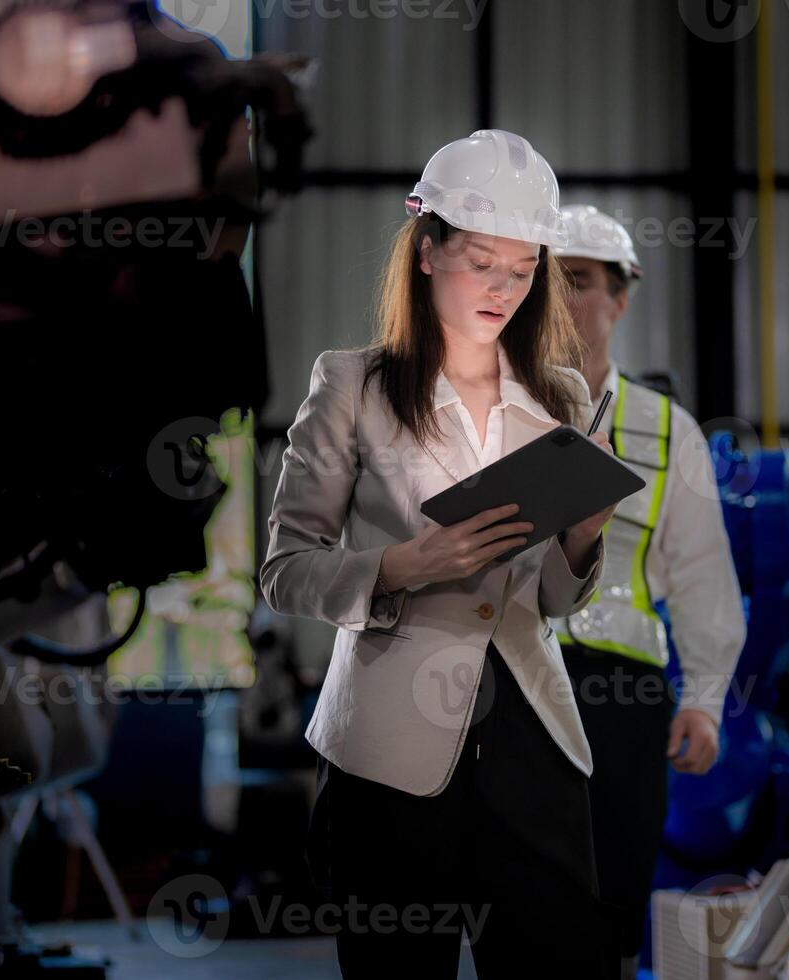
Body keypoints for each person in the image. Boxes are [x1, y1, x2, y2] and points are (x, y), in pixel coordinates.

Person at [260, 131, 620, 979]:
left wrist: (583, 536)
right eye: (482, 262)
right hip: (389, 750)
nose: (504, 287)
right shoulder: (352, 386)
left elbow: (555, 604)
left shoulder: (562, 395)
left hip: (533, 742)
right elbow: (285, 568)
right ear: (427, 251)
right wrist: (399, 567)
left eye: (524, 268)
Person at [551, 204, 748, 979]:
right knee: (522, 894)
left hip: (621, 693)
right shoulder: (490, 415)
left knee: (615, 889)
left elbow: (703, 574)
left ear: (621, 298)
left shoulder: (670, 433)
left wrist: (703, 696)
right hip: (512, 683)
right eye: (546, 283)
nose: (562, 301)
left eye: (580, 282)